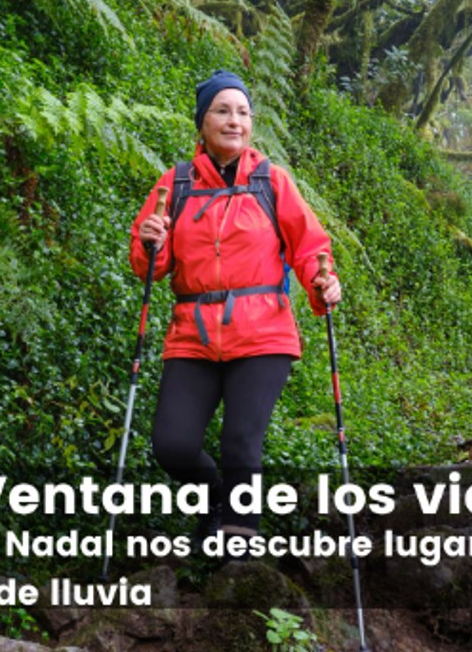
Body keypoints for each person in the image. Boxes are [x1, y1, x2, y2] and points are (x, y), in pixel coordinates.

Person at [130, 70, 341, 545]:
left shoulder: (272, 181)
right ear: (202, 123)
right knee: (173, 445)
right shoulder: (176, 184)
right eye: (222, 111)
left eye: (242, 112)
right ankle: (215, 499)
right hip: (193, 335)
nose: (234, 121)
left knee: (240, 442)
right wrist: (150, 244)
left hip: (264, 333)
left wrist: (323, 283)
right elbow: (150, 265)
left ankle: (239, 555)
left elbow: (310, 248)